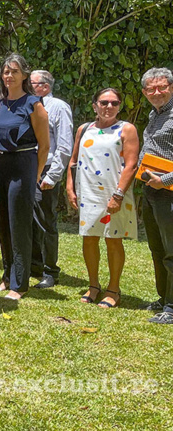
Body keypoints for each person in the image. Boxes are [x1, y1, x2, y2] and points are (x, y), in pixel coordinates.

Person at [66, 88, 137, 309]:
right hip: (89, 193)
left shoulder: (126, 129)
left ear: (119, 106)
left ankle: (113, 289)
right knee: (89, 238)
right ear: (94, 105)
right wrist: (69, 187)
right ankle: (94, 285)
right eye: (104, 102)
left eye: (114, 103)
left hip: (114, 193)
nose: (109, 107)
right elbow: (73, 160)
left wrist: (117, 195)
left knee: (113, 239)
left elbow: (131, 165)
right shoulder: (84, 129)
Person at [0, 53, 50, 300]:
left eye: (14, 71)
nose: (8, 75)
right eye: (5, 71)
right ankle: (7, 277)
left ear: (24, 75)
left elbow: (44, 146)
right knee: (3, 223)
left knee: (19, 225)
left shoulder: (34, 104)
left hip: (23, 164)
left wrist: (35, 175)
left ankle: (20, 283)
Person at [30, 70, 73, 289]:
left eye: (31, 83)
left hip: (45, 169)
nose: (28, 86)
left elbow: (64, 145)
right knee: (29, 219)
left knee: (46, 221)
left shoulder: (57, 107)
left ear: (44, 86)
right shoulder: (27, 106)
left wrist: (53, 175)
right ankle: (34, 265)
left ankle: (50, 271)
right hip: (27, 168)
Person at [137, 67, 173, 323]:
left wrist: (166, 180)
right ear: (144, 92)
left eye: (162, 87)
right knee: (157, 248)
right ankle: (164, 298)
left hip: (169, 191)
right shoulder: (154, 114)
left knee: (172, 250)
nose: (156, 92)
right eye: (151, 88)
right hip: (150, 191)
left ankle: (172, 307)